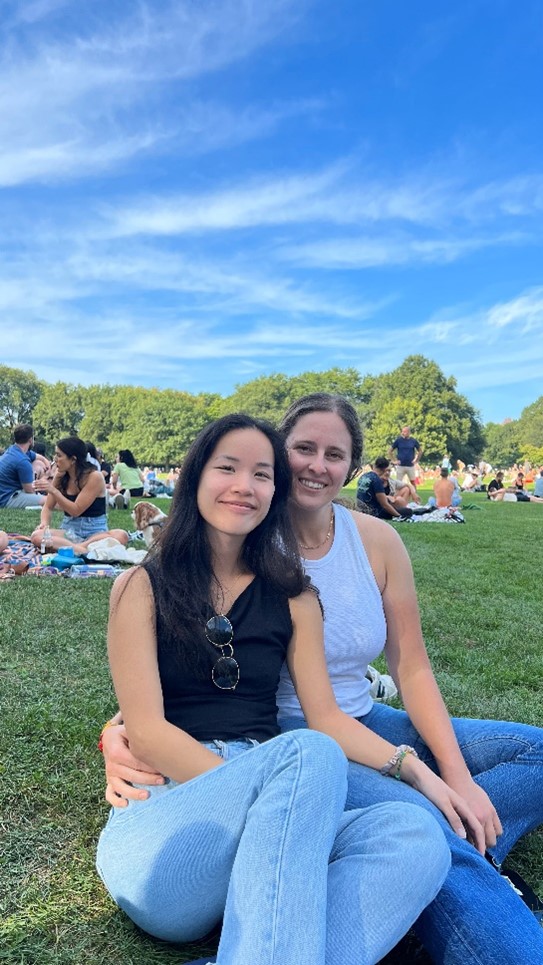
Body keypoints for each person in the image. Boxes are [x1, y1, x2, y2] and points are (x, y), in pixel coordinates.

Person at [105, 396, 543, 965]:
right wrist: (122, 736)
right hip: (203, 808)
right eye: (230, 468)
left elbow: (387, 680)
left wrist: (437, 779)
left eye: (260, 473)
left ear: (350, 466)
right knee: (320, 758)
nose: (247, 485)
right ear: (195, 476)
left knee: (417, 834)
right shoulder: (145, 584)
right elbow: (151, 720)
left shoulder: (301, 591)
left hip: (315, 761)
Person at [30, 437, 129, 555]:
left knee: (121, 535)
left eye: (59, 455)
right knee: (36, 536)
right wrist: (44, 524)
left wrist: (53, 490)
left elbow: (76, 510)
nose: (55, 459)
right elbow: (48, 507)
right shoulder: (60, 476)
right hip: (69, 531)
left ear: (73, 459)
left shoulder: (94, 477)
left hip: (95, 533)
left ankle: (75, 548)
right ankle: (82, 550)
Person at [0, 424, 46, 509]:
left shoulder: (12, 450)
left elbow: (35, 456)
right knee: (49, 500)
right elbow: (30, 490)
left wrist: (46, 462)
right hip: (7, 499)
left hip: (4, 492)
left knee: (38, 462)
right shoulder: (22, 461)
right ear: (30, 440)